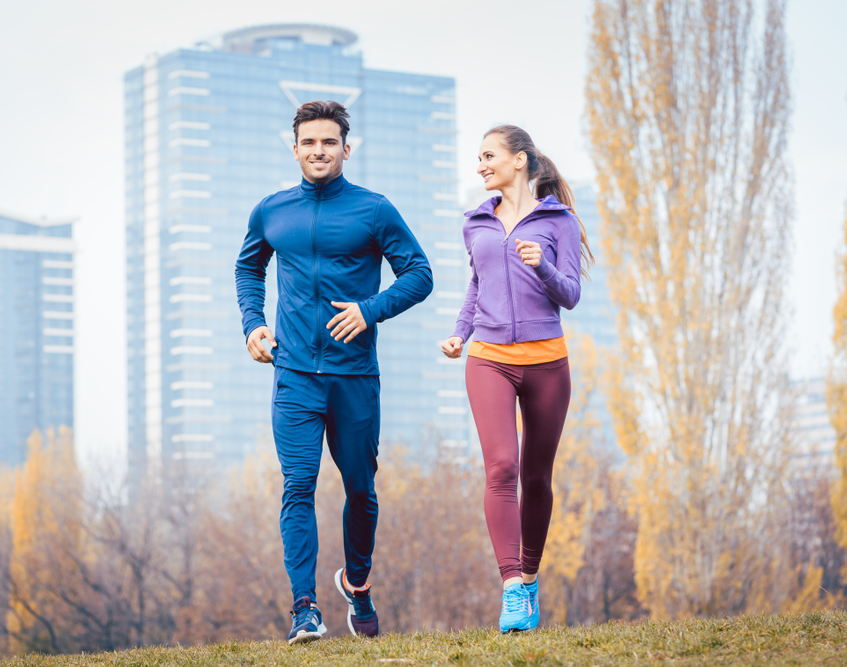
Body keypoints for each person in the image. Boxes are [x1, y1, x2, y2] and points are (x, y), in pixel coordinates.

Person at [236, 100, 432, 645]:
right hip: (294, 374)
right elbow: (249, 266)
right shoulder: (272, 210)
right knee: (298, 485)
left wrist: (370, 310)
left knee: (361, 490)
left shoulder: (374, 210)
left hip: (353, 378)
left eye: (328, 142)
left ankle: (358, 582)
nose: (318, 151)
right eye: (308, 142)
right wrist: (252, 324)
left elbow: (420, 274)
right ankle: (304, 609)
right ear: (294, 147)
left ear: (346, 148)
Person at [440, 125, 593, 633]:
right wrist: (461, 333)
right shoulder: (476, 223)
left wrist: (543, 265)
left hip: (547, 360)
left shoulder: (559, 221)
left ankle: (529, 579)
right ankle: (510, 588)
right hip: (488, 358)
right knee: (501, 466)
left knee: (536, 476)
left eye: (489, 156)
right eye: (478, 157)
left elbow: (569, 293)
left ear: (520, 160)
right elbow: (476, 285)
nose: (481, 165)